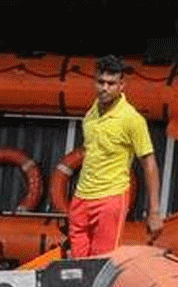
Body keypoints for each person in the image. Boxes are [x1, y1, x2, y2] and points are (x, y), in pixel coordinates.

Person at [68, 54, 163, 257]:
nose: (104, 88)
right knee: (76, 265)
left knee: (101, 263)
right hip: (81, 197)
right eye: (100, 82)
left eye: (111, 83)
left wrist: (154, 211)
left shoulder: (132, 119)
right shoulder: (90, 114)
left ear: (122, 85)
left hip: (110, 198)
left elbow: (149, 163)